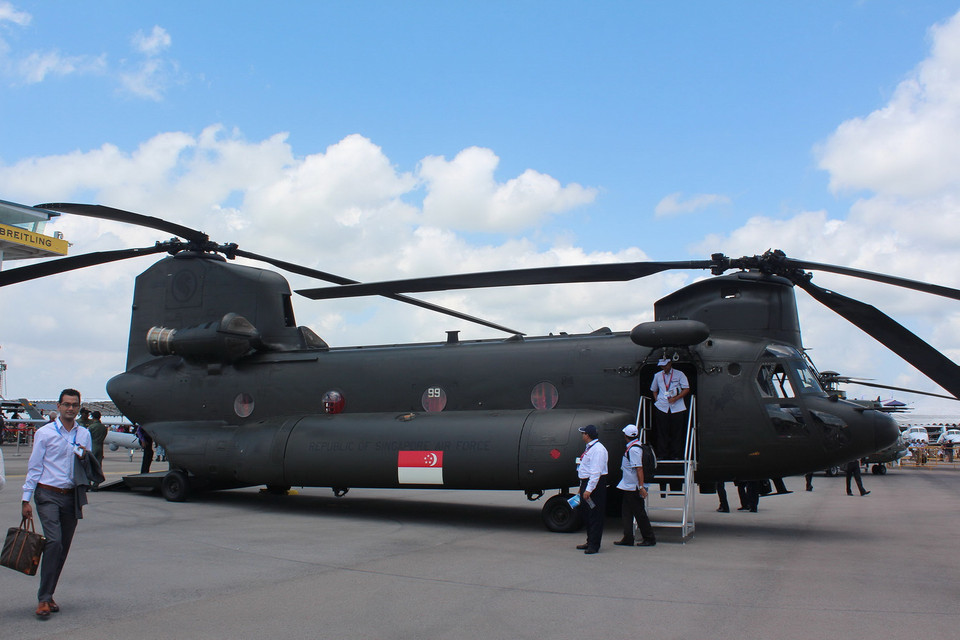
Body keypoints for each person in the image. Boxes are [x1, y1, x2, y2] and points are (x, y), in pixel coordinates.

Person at [21, 388, 93, 618]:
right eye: (66, 404)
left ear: (79, 407)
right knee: (53, 541)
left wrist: (84, 459)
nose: (70, 408)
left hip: (71, 496)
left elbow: (87, 465)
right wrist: (26, 499)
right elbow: (34, 467)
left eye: (74, 405)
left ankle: (49, 594)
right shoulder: (45, 433)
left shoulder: (84, 434)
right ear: (58, 406)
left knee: (62, 547)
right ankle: (43, 599)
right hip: (47, 494)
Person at [614, 424, 656, 547]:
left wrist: (641, 487)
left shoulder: (634, 450)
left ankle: (649, 537)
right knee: (626, 512)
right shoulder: (635, 447)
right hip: (628, 486)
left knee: (639, 513)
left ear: (626, 436)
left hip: (633, 487)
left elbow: (639, 469)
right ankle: (628, 537)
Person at [574, 424, 608, 555]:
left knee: (595, 514)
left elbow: (596, 472)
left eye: (583, 433)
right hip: (586, 483)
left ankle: (594, 545)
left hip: (594, 485)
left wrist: (589, 490)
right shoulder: (590, 448)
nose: (582, 435)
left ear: (587, 435)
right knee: (587, 513)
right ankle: (590, 540)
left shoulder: (598, 450)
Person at [650, 357, 690, 461]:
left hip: (677, 407)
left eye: (665, 365)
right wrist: (657, 400)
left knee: (677, 432)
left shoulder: (679, 374)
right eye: (662, 365)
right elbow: (654, 389)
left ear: (670, 363)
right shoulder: (658, 376)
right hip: (662, 407)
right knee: (662, 431)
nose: (663, 367)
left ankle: (676, 454)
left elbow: (686, 388)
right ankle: (662, 454)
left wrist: (676, 398)